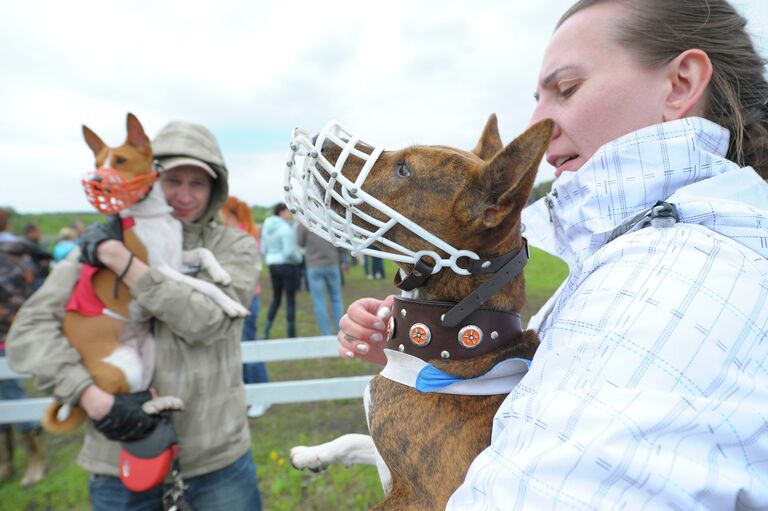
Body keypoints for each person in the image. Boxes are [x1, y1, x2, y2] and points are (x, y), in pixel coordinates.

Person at [337, 1, 768, 508]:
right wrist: (416, 352)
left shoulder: (670, 285)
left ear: (680, 83)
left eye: (567, 89)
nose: (539, 122)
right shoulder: (643, 250)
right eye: (537, 99)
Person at [6, 121, 263, 510]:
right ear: (151, 176)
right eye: (173, 180)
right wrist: (90, 396)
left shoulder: (233, 246)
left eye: (199, 183)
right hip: (121, 460)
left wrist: (122, 261)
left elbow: (207, 322)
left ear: (215, 190)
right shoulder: (99, 244)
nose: (184, 195)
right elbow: (28, 332)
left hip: (217, 460)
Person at [0, 208, 46, 487]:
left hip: (8, 334)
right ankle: (6, 460)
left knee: (12, 393)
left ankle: (34, 458)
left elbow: (21, 295)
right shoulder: (22, 252)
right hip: (13, 329)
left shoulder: (13, 254)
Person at [220, 196, 271, 419]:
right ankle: (250, 394)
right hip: (242, 297)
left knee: (248, 345)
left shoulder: (239, 236)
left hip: (244, 298)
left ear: (227, 212)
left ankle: (261, 395)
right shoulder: (244, 232)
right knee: (241, 346)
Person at [295, 223, 347, 336]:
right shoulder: (330, 219)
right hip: (332, 263)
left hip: (314, 265)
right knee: (336, 299)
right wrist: (342, 259)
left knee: (319, 302)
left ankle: (326, 334)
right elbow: (341, 241)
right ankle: (340, 331)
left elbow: (300, 242)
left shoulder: (305, 221)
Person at [260, 202, 302, 339]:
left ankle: (266, 330)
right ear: (281, 212)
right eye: (288, 211)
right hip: (287, 266)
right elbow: (289, 252)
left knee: (276, 298)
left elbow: (263, 250)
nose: (290, 214)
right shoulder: (285, 229)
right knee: (290, 299)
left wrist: (271, 258)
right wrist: (299, 259)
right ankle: (291, 333)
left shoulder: (266, 228)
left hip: (273, 265)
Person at [22, 222, 51, 292]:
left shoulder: (32, 244)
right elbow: (45, 255)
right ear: (31, 232)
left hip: (37, 278)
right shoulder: (27, 245)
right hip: (34, 279)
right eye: (38, 231)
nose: (40, 234)